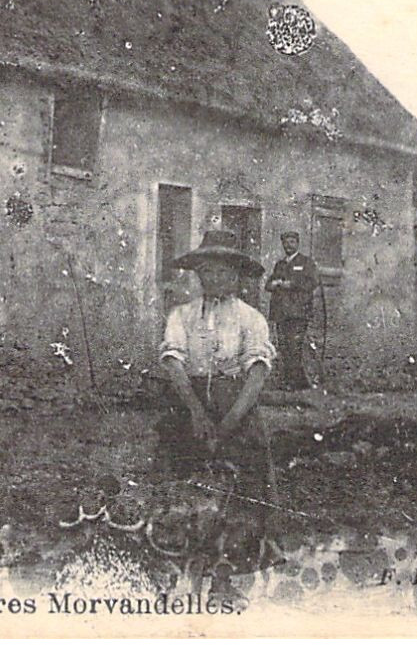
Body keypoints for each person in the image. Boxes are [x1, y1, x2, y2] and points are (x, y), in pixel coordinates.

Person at [156, 228, 278, 600]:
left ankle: (224, 580)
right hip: (188, 403)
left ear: (238, 276)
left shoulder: (251, 318)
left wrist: (229, 423)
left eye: (224, 272)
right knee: (182, 488)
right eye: (207, 272)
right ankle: (178, 577)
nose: (215, 279)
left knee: (240, 492)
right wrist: (195, 412)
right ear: (198, 275)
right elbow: (173, 361)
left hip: (236, 405)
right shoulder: (182, 315)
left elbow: (257, 371)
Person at [265, 231, 320, 390]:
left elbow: (313, 282)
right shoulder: (280, 264)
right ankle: (290, 381)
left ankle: (295, 383)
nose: (288, 245)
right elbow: (268, 285)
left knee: (295, 347)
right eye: (286, 242)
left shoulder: (306, 262)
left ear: (297, 243)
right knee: (284, 347)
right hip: (281, 313)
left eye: (292, 242)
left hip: (298, 312)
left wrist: (292, 284)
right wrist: (275, 284)